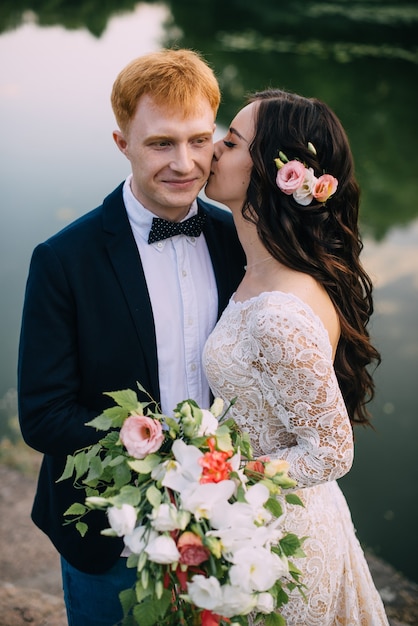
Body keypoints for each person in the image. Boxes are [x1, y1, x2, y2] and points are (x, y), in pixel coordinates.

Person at [17, 48, 245, 625]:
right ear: (123, 143)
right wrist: (151, 446)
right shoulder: (63, 260)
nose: (185, 163)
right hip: (107, 532)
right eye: (161, 144)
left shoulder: (238, 236)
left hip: (227, 522)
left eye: (199, 140)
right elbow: (43, 417)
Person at [203, 89, 389, 625]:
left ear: (271, 170)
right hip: (261, 521)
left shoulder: (279, 311)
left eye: (231, 141)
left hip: (281, 548)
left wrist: (222, 478)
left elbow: (332, 450)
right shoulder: (265, 271)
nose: (214, 149)